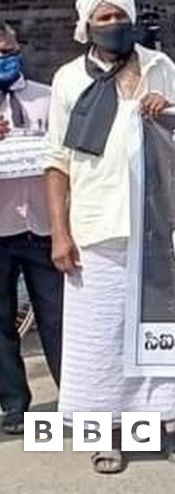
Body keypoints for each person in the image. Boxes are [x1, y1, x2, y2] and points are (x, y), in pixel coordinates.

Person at [44, 0, 175, 473]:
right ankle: (107, 435)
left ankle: (172, 424)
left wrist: (172, 112)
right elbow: (57, 163)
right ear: (87, 25)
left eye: (121, 15)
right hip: (96, 229)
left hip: (162, 223)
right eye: (105, 16)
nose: (115, 23)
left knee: (163, 328)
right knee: (101, 336)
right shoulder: (68, 80)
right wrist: (60, 232)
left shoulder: (161, 66)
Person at [0, 22, 63, 434]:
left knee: (59, 320)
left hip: (45, 226)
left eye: (6, 50)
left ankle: (75, 396)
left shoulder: (48, 97)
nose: (2, 59)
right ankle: (14, 404)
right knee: (0, 324)